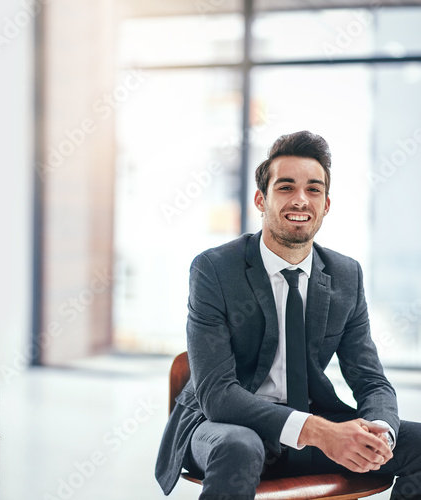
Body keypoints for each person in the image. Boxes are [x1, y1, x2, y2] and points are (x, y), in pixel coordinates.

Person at [155, 130, 421, 499]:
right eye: (285, 187)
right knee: (240, 447)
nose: (300, 199)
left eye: (314, 189)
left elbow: (371, 380)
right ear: (260, 200)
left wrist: (378, 431)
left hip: (313, 429)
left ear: (326, 205)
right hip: (226, 427)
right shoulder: (214, 270)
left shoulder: (346, 275)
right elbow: (217, 395)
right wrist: (319, 432)